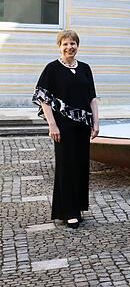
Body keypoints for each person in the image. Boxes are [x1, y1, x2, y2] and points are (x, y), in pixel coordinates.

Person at [32, 30, 99, 229]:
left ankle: (77, 208)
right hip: (63, 127)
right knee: (65, 167)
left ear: (77, 45)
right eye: (65, 44)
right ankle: (68, 211)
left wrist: (96, 122)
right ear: (59, 47)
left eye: (73, 43)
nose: (69, 47)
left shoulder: (85, 68)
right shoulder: (52, 69)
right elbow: (43, 98)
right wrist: (52, 124)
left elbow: (92, 98)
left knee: (80, 167)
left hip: (82, 126)